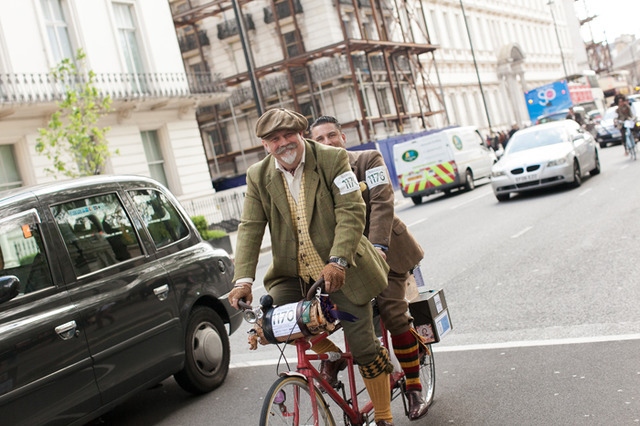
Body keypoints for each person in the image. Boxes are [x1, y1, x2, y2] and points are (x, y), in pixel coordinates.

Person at [228, 108, 395, 426]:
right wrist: (243, 280)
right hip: (295, 272)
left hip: (346, 267)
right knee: (274, 321)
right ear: (265, 145)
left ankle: (384, 416)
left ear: (301, 134)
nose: (283, 143)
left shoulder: (332, 159)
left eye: (289, 134)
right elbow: (250, 226)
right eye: (274, 139)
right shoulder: (258, 176)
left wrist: (338, 260)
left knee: (362, 345)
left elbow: (351, 209)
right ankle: (329, 351)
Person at [310, 116, 429, 420]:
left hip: (386, 249)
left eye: (331, 135)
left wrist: (377, 246)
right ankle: (334, 358)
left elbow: (382, 202)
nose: (327, 143)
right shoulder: (316, 176)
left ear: (343, 137)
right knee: (316, 316)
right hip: (347, 259)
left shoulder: (367, 160)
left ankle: (414, 385)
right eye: (319, 139)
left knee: (392, 312)